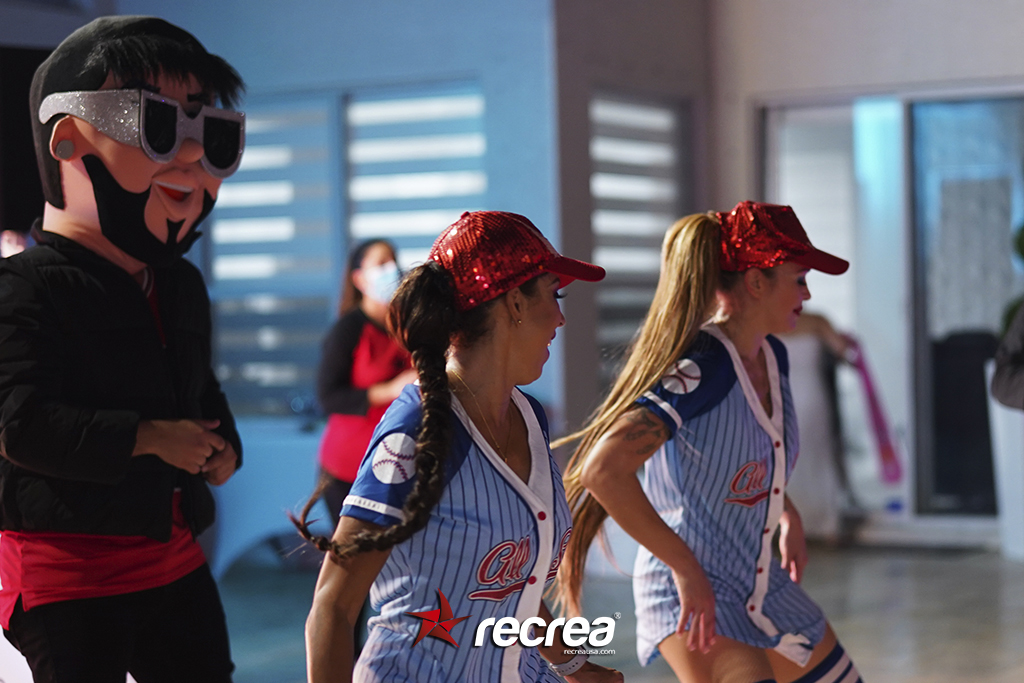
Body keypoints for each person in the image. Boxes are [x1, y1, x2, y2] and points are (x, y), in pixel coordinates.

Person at [0, 16, 244, 682]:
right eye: (156, 125)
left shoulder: (179, 283)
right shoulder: (22, 287)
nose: (190, 157)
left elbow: (198, 387)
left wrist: (222, 446)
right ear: (68, 139)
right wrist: (151, 438)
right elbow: (19, 425)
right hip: (67, 572)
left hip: (174, 553)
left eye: (214, 135)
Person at [294, 211, 621, 682]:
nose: (561, 317)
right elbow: (332, 608)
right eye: (555, 294)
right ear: (514, 302)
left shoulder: (529, 416)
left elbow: (515, 589)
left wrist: (574, 665)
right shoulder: (418, 429)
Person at [558, 202, 864, 683]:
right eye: (799, 278)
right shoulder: (703, 368)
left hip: (758, 582)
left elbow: (751, 458)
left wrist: (784, 510)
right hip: (692, 592)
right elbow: (602, 470)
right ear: (756, 282)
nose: (807, 293)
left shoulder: (773, 356)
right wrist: (686, 569)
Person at [310, 238, 416, 524]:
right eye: (381, 263)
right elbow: (327, 397)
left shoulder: (407, 325)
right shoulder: (348, 329)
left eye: (393, 261)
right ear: (359, 279)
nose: (392, 269)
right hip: (349, 468)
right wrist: (390, 390)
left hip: (399, 462)